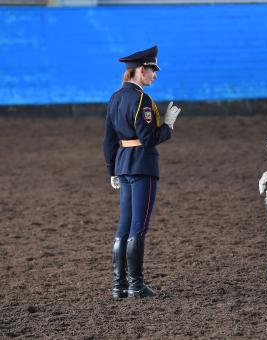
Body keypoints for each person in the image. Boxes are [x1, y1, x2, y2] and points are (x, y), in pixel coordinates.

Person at [103, 45, 181, 299]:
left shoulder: (115, 97)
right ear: (139, 71)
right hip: (142, 166)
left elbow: (108, 139)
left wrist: (111, 169)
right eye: (151, 70)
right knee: (138, 227)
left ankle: (119, 286)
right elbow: (148, 138)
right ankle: (136, 286)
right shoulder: (142, 100)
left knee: (123, 228)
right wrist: (168, 125)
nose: (154, 75)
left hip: (123, 165)